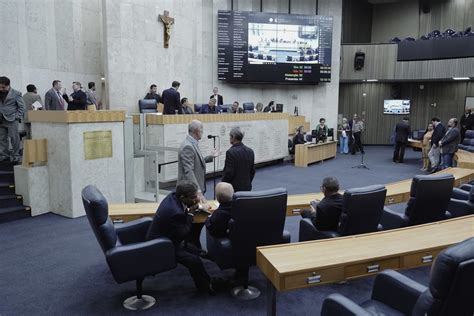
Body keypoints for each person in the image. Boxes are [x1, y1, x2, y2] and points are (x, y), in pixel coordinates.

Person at [146, 181, 218, 294]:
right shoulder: (175, 212)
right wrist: (191, 214)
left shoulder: (174, 196)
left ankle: (207, 281)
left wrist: (193, 207)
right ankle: (205, 288)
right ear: (183, 197)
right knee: (194, 261)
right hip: (162, 244)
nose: (196, 200)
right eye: (193, 198)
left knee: (195, 250)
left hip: (168, 237)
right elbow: (184, 233)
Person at [177, 120, 217, 248]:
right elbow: (188, 170)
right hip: (190, 191)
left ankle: (194, 245)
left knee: (198, 219)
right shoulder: (187, 146)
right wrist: (197, 191)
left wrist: (210, 157)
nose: (202, 133)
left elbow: (196, 162)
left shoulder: (192, 143)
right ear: (196, 131)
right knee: (193, 219)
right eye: (202, 130)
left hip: (195, 189)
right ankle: (191, 246)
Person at [0, 76, 25, 162]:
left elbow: (22, 107)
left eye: (3, 87)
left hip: (12, 120)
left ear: (8, 85)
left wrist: (16, 117)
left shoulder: (16, 93)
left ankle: (16, 155)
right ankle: (4, 155)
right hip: (0, 119)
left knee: (14, 138)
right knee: (2, 138)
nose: (1, 89)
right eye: (0, 87)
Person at [222, 127, 255, 192]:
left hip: (233, 189)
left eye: (230, 136)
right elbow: (252, 171)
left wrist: (222, 184)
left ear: (233, 137)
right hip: (247, 188)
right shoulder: (250, 151)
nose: (229, 138)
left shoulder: (230, 152)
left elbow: (229, 173)